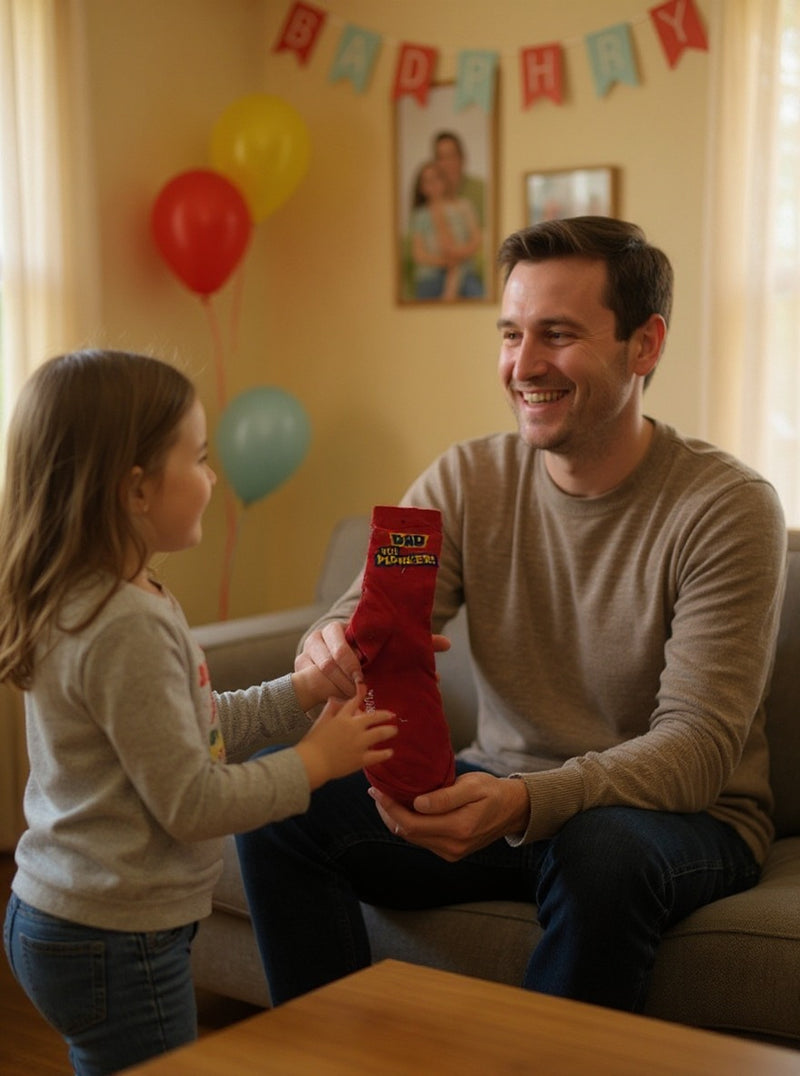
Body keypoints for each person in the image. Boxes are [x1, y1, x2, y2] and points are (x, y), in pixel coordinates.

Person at [235, 217, 787, 1013]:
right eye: (511, 334)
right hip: (500, 786)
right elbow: (370, 610)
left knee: (603, 851)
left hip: (675, 819)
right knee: (279, 801)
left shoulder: (726, 507)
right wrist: (331, 640)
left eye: (557, 335)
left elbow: (697, 750)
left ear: (646, 345)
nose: (523, 366)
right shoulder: (467, 479)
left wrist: (532, 803)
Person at [0, 349, 396, 1075]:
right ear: (137, 490)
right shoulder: (126, 625)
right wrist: (315, 763)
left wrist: (301, 693)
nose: (214, 478)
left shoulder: (107, 595)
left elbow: (200, 727)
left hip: (64, 913)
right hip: (115, 936)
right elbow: (191, 800)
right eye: (201, 457)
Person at [409, 159, 484, 300]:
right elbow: (418, 254)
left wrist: (459, 254)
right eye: (427, 181)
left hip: (463, 270)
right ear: (421, 188)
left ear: (444, 180)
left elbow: (476, 239)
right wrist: (445, 262)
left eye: (436, 178)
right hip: (431, 275)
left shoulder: (463, 206)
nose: (433, 185)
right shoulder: (421, 215)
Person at [433, 130, 486, 227]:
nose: (446, 163)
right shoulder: (430, 192)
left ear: (462, 158)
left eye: (450, 156)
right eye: (441, 157)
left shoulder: (481, 189)